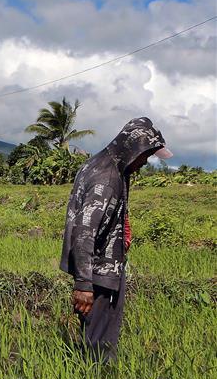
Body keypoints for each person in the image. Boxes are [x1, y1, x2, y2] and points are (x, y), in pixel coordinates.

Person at [61, 117, 172, 360]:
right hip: (99, 273)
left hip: (98, 269)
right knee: (100, 346)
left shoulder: (101, 164)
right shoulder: (107, 178)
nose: (145, 162)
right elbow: (84, 232)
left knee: (92, 337)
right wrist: (83, 285)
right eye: (146, 155)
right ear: (134, 149)